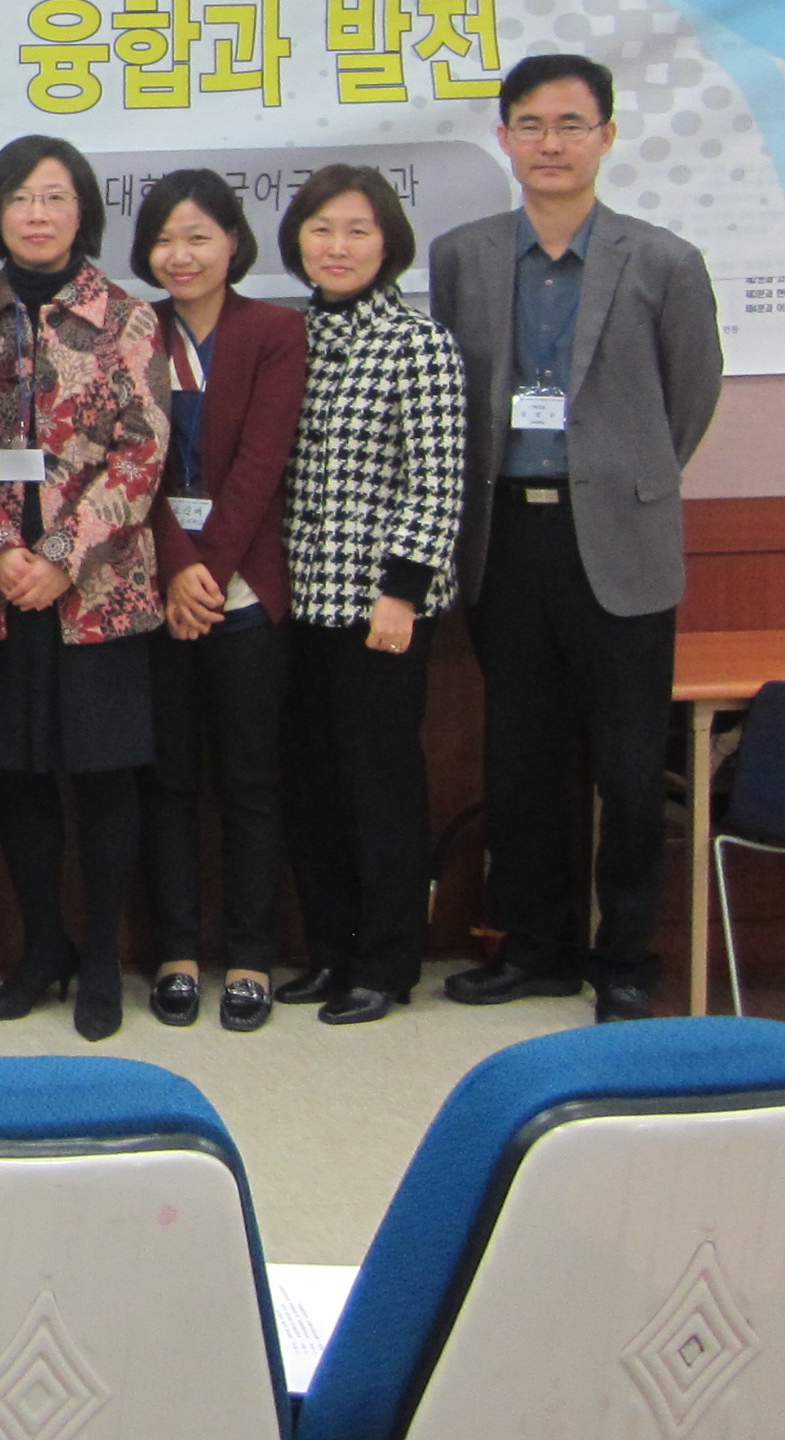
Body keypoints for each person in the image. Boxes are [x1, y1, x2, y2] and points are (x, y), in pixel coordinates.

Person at [432, 53, 723, 1024]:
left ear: (607, 136)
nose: (549, 143)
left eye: (570, 124)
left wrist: (617, 480)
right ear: (503, 138)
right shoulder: (464, 257)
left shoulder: (664, 261)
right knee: (521, 760)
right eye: (531, 125)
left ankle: (627, 957)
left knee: (632, 771)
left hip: (619, 541)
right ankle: (537, 948)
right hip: (503, 537)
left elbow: (690, 400)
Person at [0, 133, 167, 1045]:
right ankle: (41, 947)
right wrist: (1, 549)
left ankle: (102, 960)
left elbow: (142, 452)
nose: (36, 215)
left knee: (104, 778)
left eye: (53, 197)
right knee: (22, 778)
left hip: (99, 594)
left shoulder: (125, 318)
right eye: (19, 199)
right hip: (4, 592)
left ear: (82, 210)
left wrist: (59, 556)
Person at [274, 165, 466, 1027]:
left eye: (357, 230)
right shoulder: (289, 338)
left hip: (378, 606)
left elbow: (438, 482)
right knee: (311, 784)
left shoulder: (419, 344)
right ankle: (330, 950)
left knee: (379, 784)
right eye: (321, 229)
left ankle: (386, 962)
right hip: (295, 602)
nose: (337, 247)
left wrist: (402, 592)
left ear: (387, 243)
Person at [128, 169, 306, 1034]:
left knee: (249, 781)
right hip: (160, 585)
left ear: (233, 242)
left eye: (199, 237)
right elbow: (133, 463)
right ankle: (175, 954)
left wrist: (208, 570)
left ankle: (249, 958)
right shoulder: (137, 330)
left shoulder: (275, 332)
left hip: (246, 587)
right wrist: (175, 567)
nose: (182, 255)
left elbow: (262, 465)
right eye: (165, 239)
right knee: (167, 782)